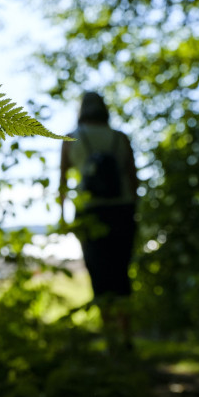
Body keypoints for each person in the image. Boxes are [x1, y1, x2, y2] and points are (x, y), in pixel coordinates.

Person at [59, 91, 139, 352]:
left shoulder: (71, 138)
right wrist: (135, 211)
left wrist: (62, 217)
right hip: (122, 211)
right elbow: (133, 178)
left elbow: (62, 181)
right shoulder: (120, 138)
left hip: (89, 213)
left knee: (99, 274)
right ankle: (126, 335)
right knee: (121, 273)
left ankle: (109, 338)